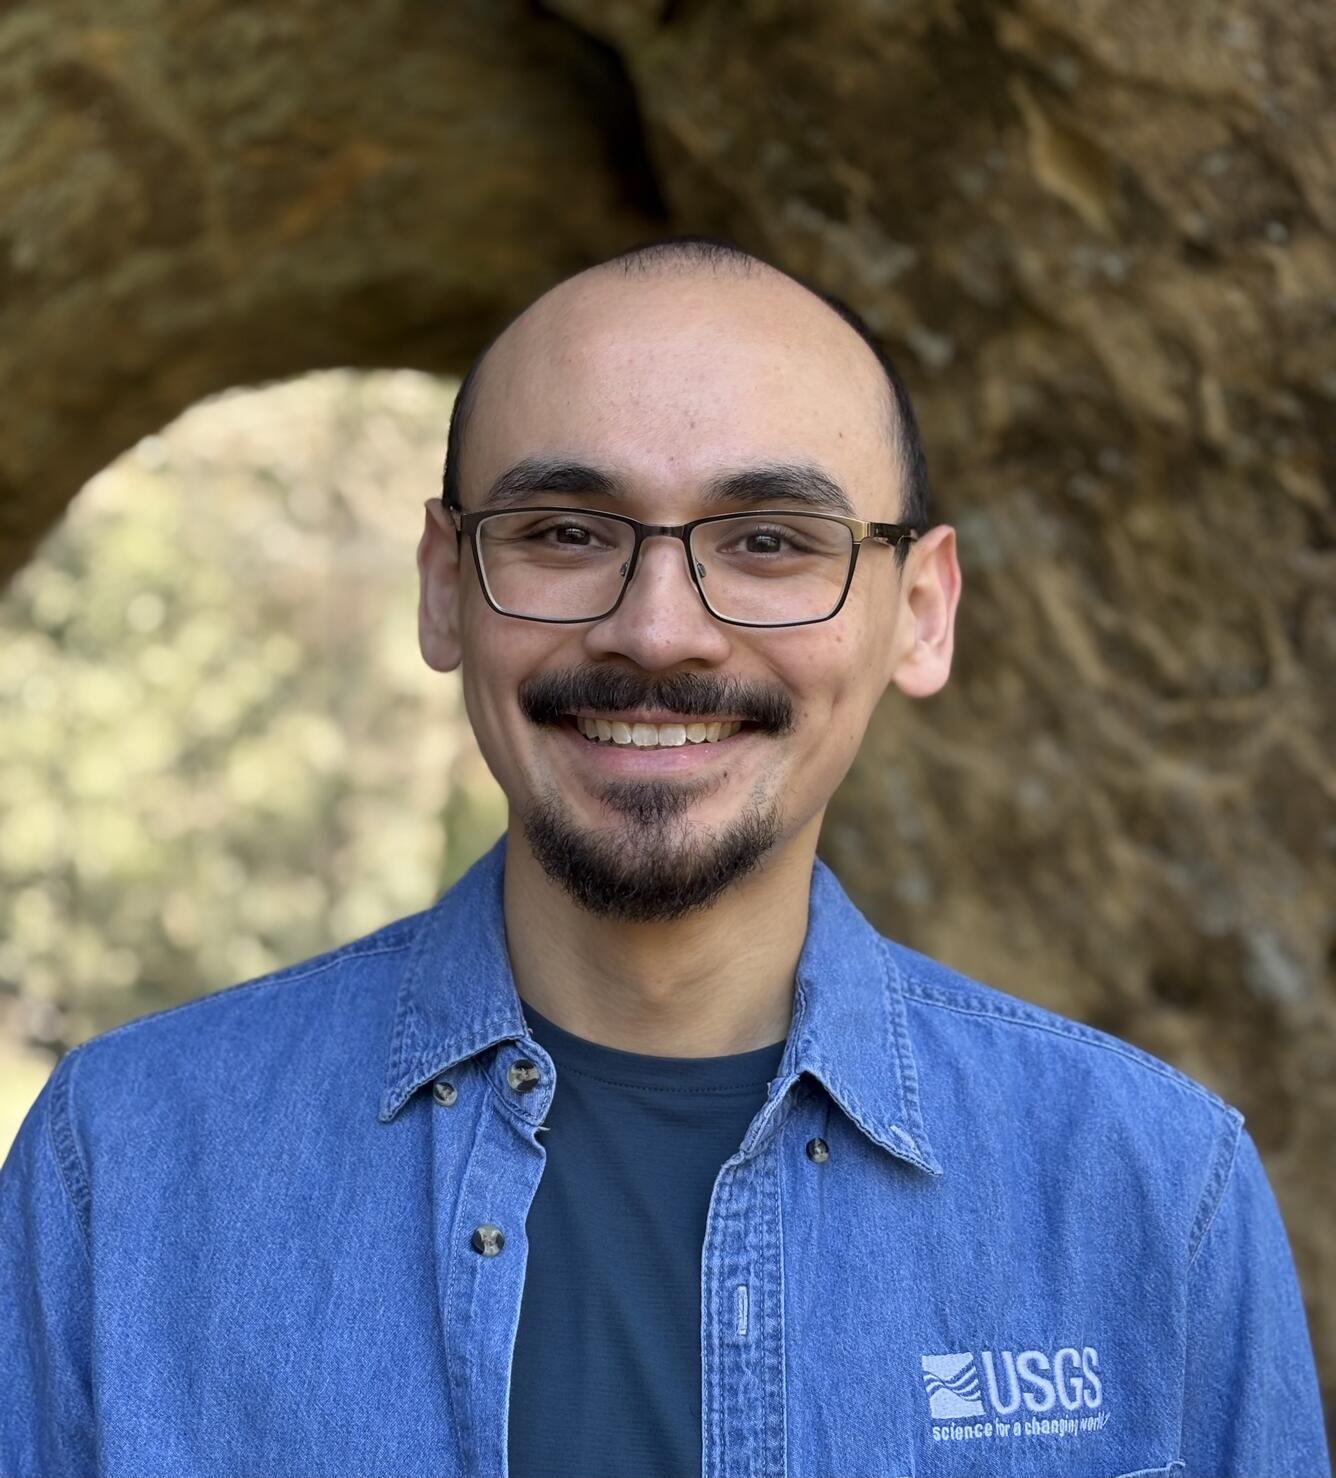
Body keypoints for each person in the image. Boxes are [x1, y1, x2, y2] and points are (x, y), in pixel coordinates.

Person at [0, 237, 1328, 1478]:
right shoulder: (121, 1168)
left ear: (920, 613)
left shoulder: (1154, 1193)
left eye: (768, 542)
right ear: (445, 586)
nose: (658, 629)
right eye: (567, 532)